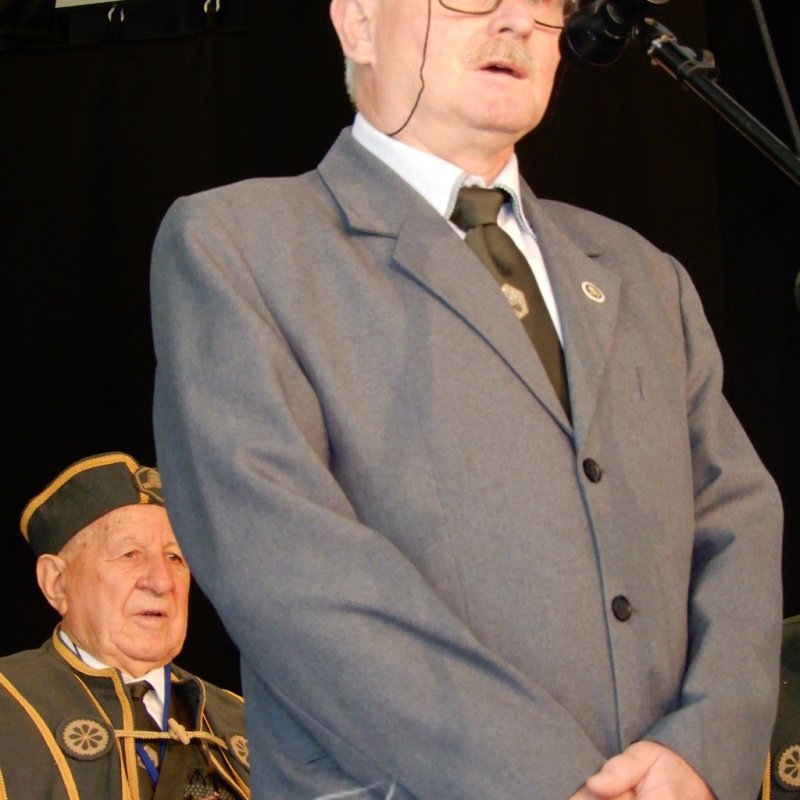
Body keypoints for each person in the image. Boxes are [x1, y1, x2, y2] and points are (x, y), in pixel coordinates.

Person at [149, 0, 784, 798]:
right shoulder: (240, 247)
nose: (516, 19)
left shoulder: (643, 273)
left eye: (544, 1)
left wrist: (703, 751)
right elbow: (284, 565)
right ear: (359, 24)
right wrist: (549, 782)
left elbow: (737, 523)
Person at [0, 452, 251, 800]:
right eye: (130, 554)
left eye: (175, 557)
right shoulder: (9, 705)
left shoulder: (243, 723)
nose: (162, 581)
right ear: (57, 583)